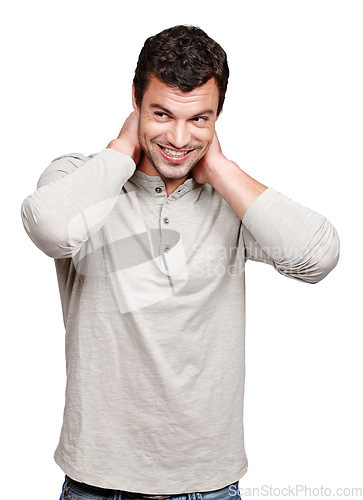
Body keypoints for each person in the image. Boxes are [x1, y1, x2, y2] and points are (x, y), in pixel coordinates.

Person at [21, 25, 340, 500]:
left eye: (198, 119)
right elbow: (49, 228)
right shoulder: (80, 176)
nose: (177, 137)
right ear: (135, 100)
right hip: (97, 480)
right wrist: (123, 149)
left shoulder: (228, 199)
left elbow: (319, 257)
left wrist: (221, 171)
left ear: (218, 117)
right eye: (162, 113)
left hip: (207, 484)